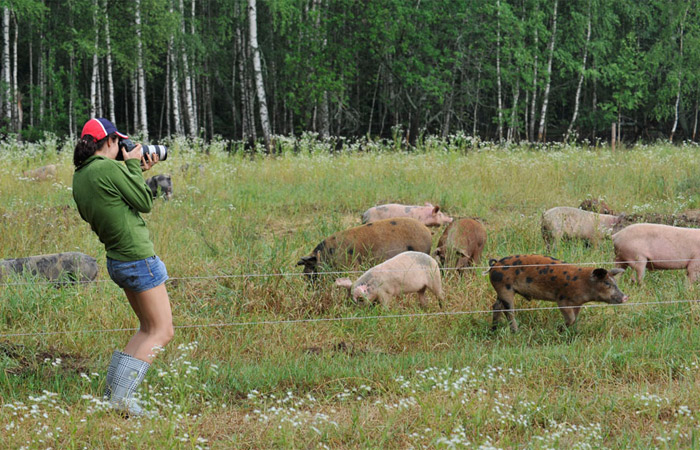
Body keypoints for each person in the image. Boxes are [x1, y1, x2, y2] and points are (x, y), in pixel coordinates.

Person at [72, 118, 174, 417]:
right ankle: (124, 401)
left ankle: (113, 396)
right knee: (162, 331)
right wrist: (131, 167)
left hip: (118, 258)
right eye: (120, 143)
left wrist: (133, 170)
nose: (124, 148)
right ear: (110, 142)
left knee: (146, 328)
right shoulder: (107, 168)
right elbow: (144, 201)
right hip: (137, 257)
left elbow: (116, 199)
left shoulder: (82, 174)